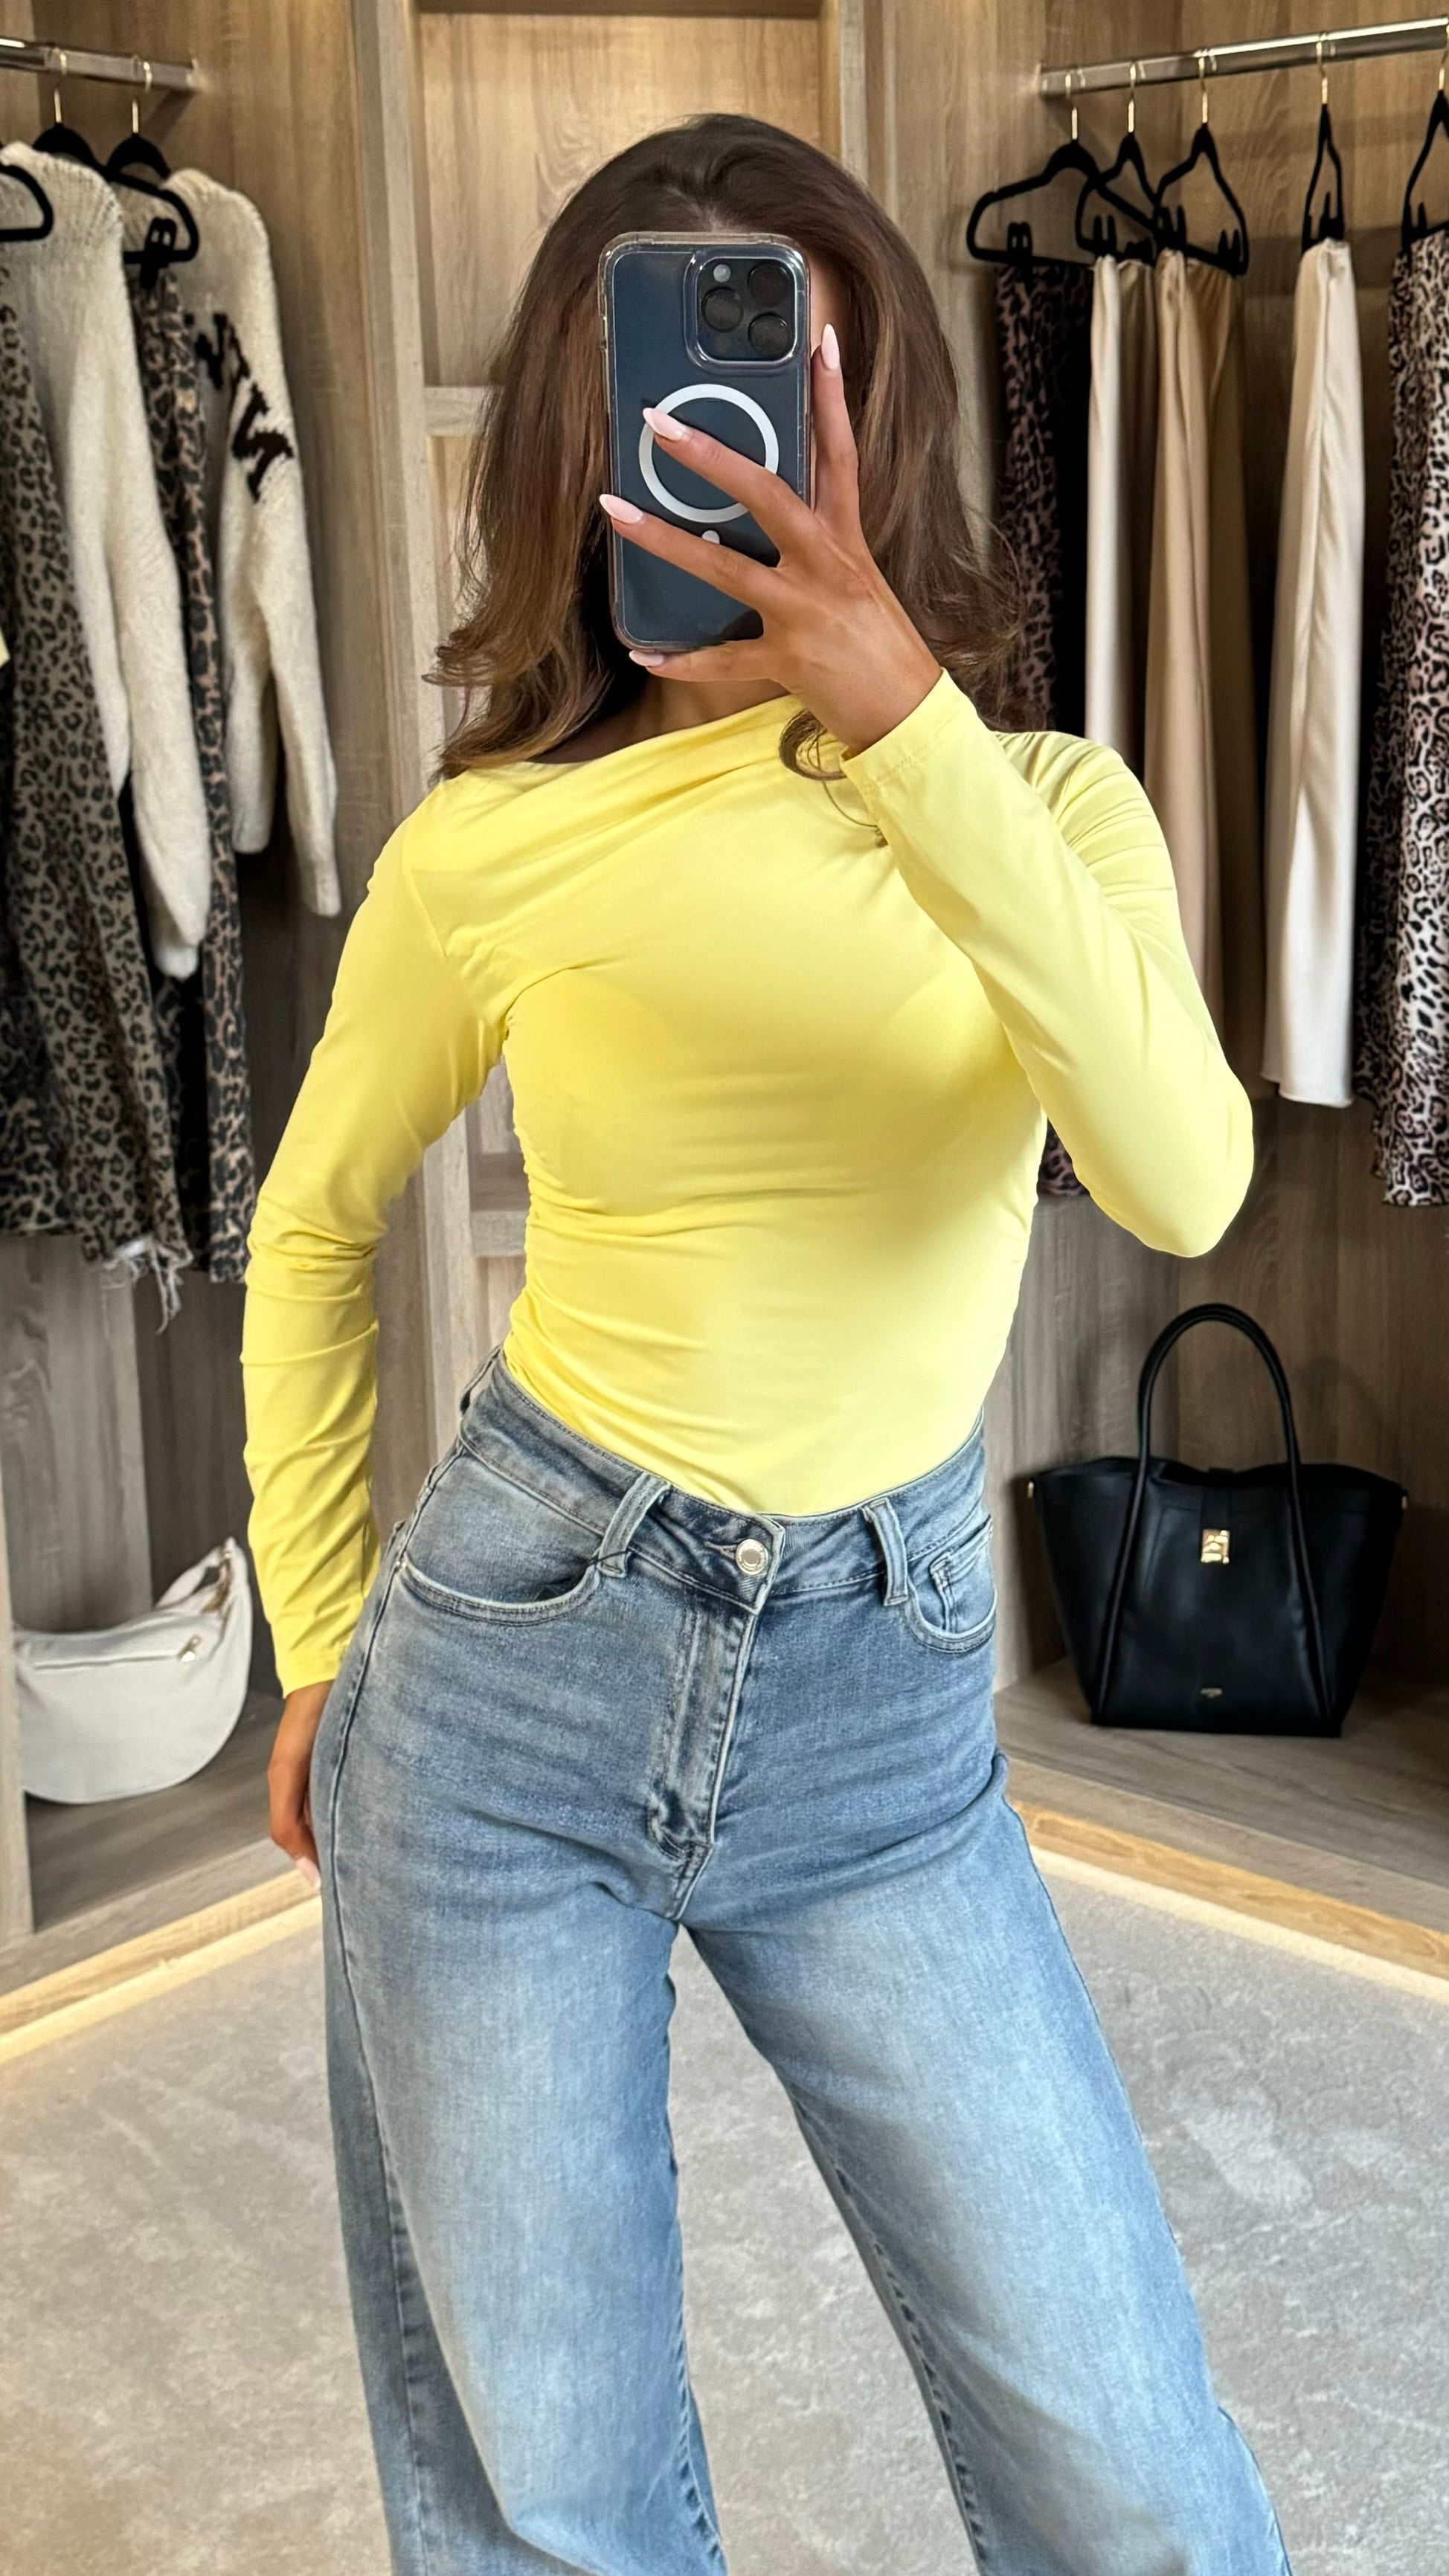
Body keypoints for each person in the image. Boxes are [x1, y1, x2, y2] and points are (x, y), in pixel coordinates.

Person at [243, 112, 1291, 2576]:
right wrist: (316, 1640)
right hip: (509, 1682)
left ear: (876, 427)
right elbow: (309, 1228)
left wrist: (896, 714)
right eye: (674, 405)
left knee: (1133, 2480)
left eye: (782, 404)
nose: (726, 464)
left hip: (879, 1712)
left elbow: (1179, 1179)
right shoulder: (486, 845)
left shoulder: (1047, 804)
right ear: (578, 441)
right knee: (559, 2502)